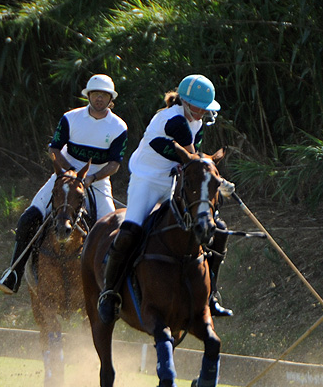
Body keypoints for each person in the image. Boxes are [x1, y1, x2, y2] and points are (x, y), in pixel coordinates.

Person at [97, 74, 233, 323]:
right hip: (147, 180)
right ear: (184, 101)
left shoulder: (196, 123)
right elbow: (194, 160)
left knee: (214, 229)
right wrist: (220, 181)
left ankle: (210, 295)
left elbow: (196, 165)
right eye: (198, 106)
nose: (202, 112)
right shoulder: (174, 121)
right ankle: (109, 294)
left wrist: (217, 184)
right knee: (130, 232)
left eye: (205, 108)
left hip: (175, 182)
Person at [0, 74, 128, 294]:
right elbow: (54, 149)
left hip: (96, 181)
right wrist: (70, 172)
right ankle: (12, 274)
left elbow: (114, 164)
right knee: (28, 218)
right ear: (89, 96)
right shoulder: (70, 118)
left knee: (114, 231)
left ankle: (112, 287)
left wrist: (92, 177)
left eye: (104, 95)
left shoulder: (119, 127)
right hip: (64, 176)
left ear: (110, 99)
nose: (99, 99)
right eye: (95, 94)